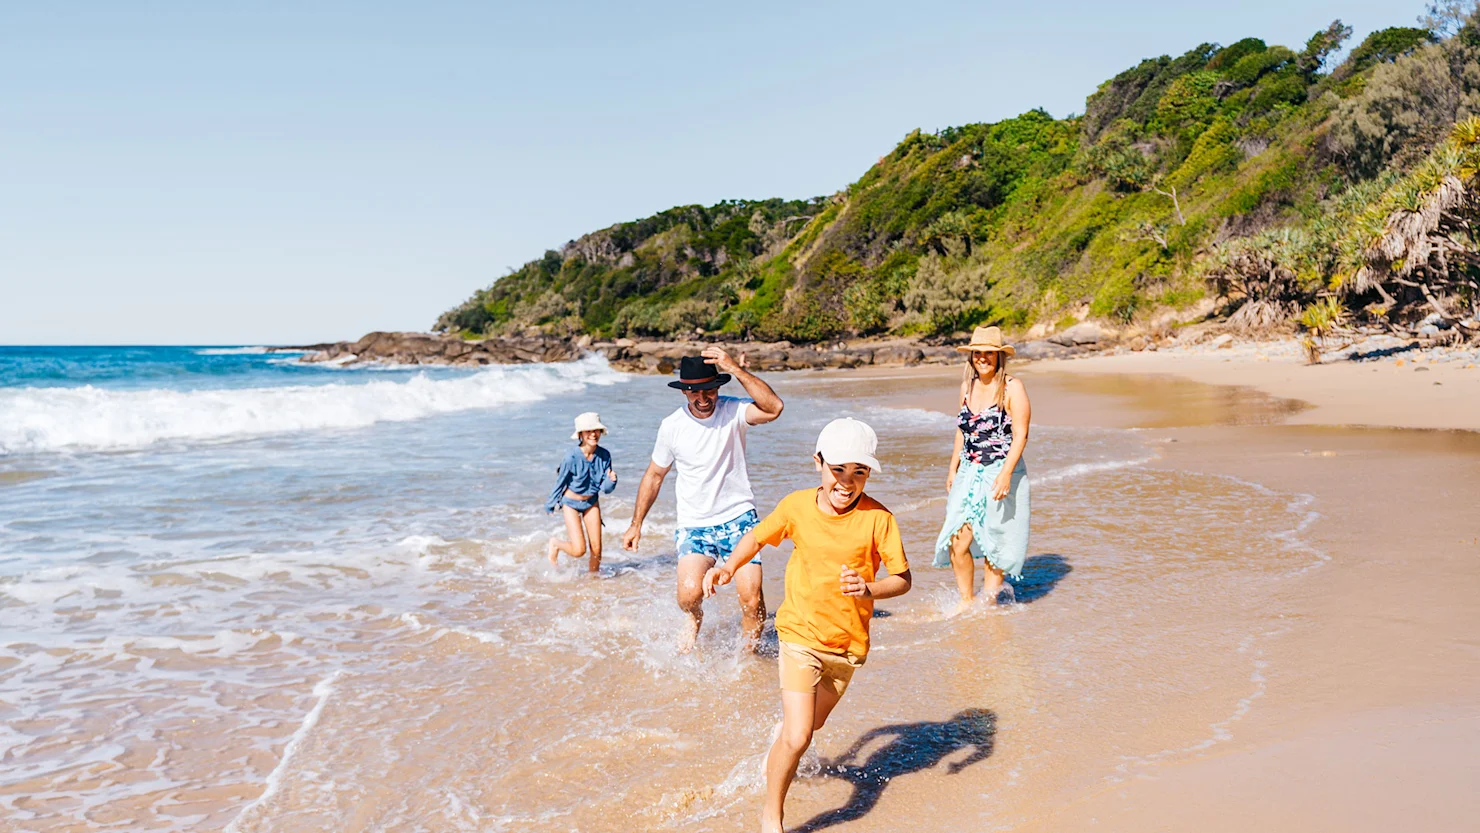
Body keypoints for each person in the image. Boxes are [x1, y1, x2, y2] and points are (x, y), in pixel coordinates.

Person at [703, 417, 911, 833]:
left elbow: (902, 579)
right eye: (838, 470)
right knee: (800, 738)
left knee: (808, 726)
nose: (847, 482)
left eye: (859, 473)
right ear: (818, 462)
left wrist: (869, 589)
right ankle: (772, 816)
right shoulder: (797, 506)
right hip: (798, 636)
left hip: (847, 647)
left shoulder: (879, 519)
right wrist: (729, 566)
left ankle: (779, 744)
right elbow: (758, 537)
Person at [621, 346, 784, 653]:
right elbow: (655, 475)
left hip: (739, 518)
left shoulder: (734, 411)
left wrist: (735, 368)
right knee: (688, 595)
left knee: (751, 598)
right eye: (694, 392)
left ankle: (747, 660)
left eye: (709, 389)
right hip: (695, 523)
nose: (702, 397)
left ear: (718, 387)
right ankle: (694, 619)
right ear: (684, 392)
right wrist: (636, 525)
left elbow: (774, 407)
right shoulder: (672, 426)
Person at [934, 325, 1032, 608]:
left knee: (995, 540)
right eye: (978, 353)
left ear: (1000, 356)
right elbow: (962, 431)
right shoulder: (967, 386)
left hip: (1001, 470)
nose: (983, 358)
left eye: (989, 353)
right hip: (969, 470)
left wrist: (1005, 475)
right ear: (972, 356)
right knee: (957, 541)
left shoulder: (1013, 388)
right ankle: (967, 601)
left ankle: (987, 605)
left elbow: (1021, 435)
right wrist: (952, 468)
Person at [545, 412, 617, 573]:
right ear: (580, 434)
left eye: (596, 430)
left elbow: (605, 489)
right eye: (588, 431)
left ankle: (593, 581)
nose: (593, 434)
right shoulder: (571, 457)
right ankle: (555, 543)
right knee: (579, 550)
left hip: (591, 502)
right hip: (571, 503)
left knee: (597, 550)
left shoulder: (605, 455)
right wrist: (550, 504)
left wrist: (612, 481)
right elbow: (561, 481)